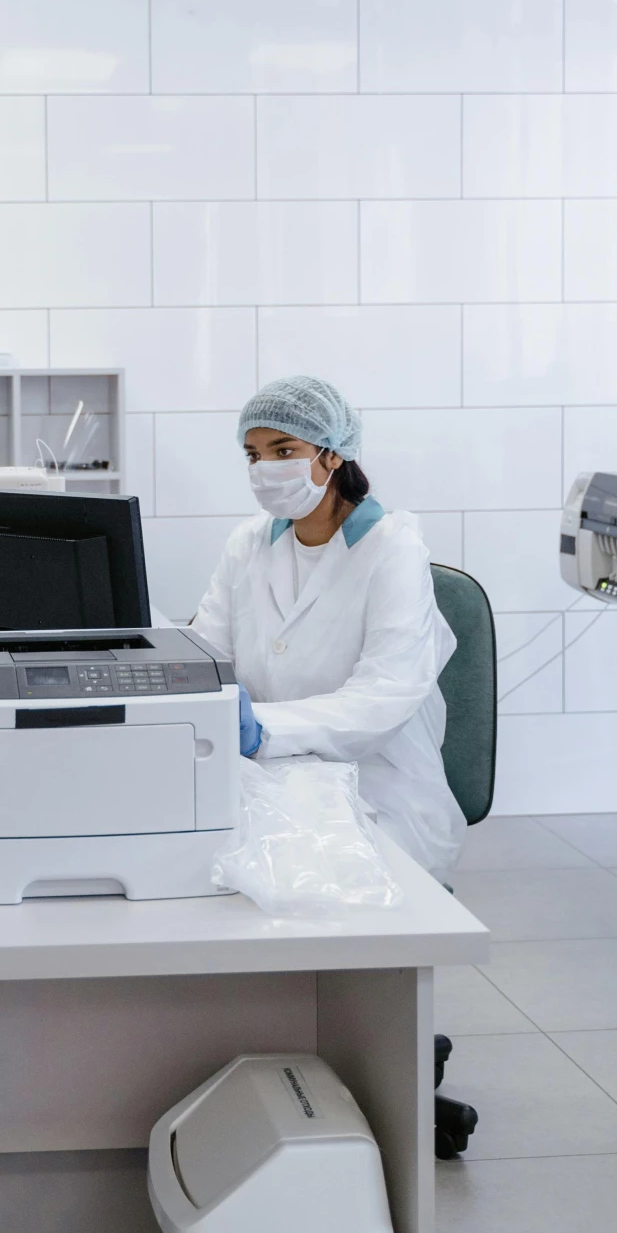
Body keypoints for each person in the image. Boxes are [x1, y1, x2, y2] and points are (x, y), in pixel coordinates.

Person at [192, 375, 465, 883]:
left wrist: (265, 730)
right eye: (253, 455)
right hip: (257, 776)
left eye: (284, 449)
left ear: (333, 454)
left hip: (374, 786)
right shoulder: (247, 544)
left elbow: (386, 694)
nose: (265, 468)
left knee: (298, 880)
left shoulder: (393, 548)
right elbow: (205, 657)